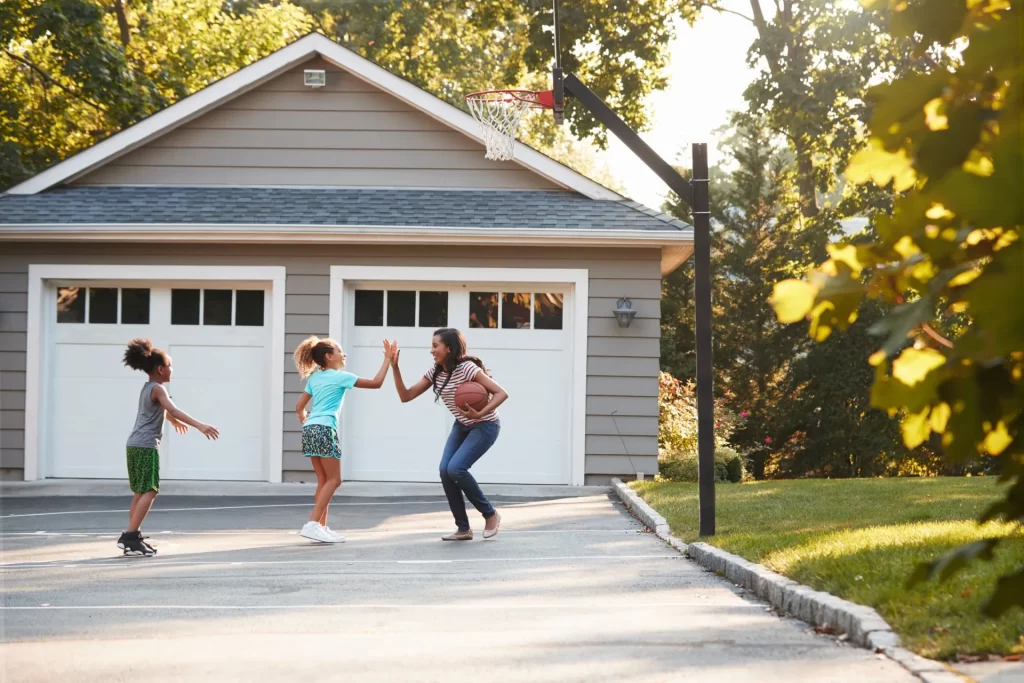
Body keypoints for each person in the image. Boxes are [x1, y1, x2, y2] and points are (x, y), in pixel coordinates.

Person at [390, 328, 508, 541]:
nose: (431, 350)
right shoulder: (435, 372)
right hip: (462, 425)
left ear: (449, 348)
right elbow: (405, 396)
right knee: (445, 471)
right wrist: (395, 367)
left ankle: (490, 514)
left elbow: (501, 392)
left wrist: (480, 412)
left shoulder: (467, 368)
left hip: (485, 425)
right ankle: (463, 528)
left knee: (456, 468)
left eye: (435, 346)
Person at [120, 339, 220, 556]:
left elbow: (160, 411)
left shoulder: (149, 388)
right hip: (146, 446)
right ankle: (130, 535)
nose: (172, 370)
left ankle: (132, 535)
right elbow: (173, 409)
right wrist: (200, 425)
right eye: (170, 366)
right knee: (150, 490)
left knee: (140, 491)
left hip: (135, 444)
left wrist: (173, 422)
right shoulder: (158, 389)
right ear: (160, 369)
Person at [294, 336, 393, 543]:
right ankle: (312, 524)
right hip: (324, 429)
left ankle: (321, 527)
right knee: (335, 480)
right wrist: (387, 360)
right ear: (329, 357)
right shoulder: (340, 377)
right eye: (340, 351)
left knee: (323, 481)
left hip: (311, 429)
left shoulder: (314, 378)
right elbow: (376, 383)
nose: (344, 354)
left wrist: (307, 422)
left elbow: (299, 407)